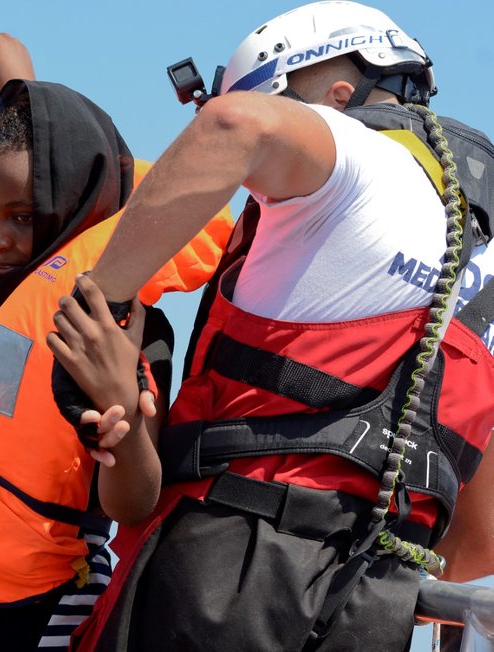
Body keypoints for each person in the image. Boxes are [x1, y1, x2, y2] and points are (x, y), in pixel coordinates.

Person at [49, 2, 494, 650]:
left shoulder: (356, 163)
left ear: (337, 99)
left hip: (224, 578)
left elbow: (235, 124)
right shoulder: (479, 269)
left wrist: (105, 301)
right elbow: (478, 543)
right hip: (372, 613)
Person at [0, 71, 230, 651]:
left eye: (22, 217)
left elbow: (134, 501)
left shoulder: (118, 325)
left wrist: (120, 418)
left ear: (76, 204)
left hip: (44, 609)